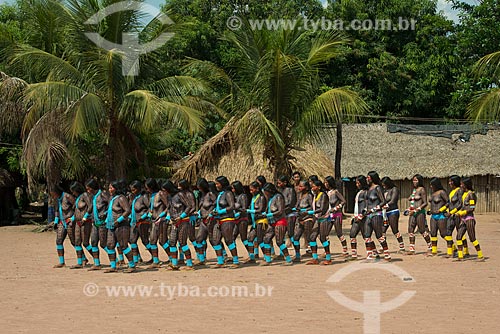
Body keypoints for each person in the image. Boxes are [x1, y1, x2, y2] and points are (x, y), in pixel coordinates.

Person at [164, 179, 196, 270]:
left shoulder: (180, 195)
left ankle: (189, 264)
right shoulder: (169, 197)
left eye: (165, 189)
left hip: (183, 221)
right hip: (174, 222)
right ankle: (174, 264)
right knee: (172, 242)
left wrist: (181, 216)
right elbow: (169, 209)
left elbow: (189, 206)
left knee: (182, 242)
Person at [104, 181, 134, 273]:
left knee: (123, 245)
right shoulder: (112, 198)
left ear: (116, 188)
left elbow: (127, 210)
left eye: (111, 188)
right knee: (110, 245)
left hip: (121, 225)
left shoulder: (121, 198)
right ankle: (113, 266)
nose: (110, 190)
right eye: (109, 188)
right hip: (111, 225)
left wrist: (119, 220)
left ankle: (132, 265)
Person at [261, 183, 293, 265]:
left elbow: (280, 211)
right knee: (266, 239)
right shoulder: (270, 198)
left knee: (279, 241)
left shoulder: (278, 197)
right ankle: (268, 260)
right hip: (272, 221)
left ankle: (288, 259)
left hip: (280, 221)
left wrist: (269, 215)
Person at [455, 177, 484, 261]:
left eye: (462, 184)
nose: (460, 186)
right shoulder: (464, 194)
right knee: (459, 236)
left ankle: (480, 254)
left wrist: (463, 212)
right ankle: (460, 256)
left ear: (466, 185)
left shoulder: (471, 194)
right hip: (463, 219)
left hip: (469, 218)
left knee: (472, 238)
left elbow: (472, 208)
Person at [212, 176, 239, 268]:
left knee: (228, 240)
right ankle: (220, 261)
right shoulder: (220, 194)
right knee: (215, 240)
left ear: (222, 184)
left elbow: (232, 206)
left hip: (227, 219)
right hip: (219, 220)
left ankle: (235, 261)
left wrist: (221, 211)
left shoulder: (228, 194)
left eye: (217, 183)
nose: (216, 185)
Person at [365, 171, 390, 261]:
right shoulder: (368, 190)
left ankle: (387, 253)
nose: (367, 179)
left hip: (376, 214)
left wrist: (374, 209)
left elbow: (383, 201)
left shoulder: (377, 188)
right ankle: (370, 255)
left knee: (379, 235)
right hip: (368, 215)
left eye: (368, 178)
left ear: (372, 178)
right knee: (367, 235)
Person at [405, 174, 431, 255]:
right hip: (413, 212)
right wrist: (409, 209)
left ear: (419, 181)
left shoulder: (422, 189)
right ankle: (412, 249)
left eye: (416, 180)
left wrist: (416, 210)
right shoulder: (414, 190)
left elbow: (425, 203)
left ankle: (430, 247)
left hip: (420, 213)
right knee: (410, 229)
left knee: (422, 230)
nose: (414, 182)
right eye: (413, 180)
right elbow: (413, 202)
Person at [51, 184, 76, 268]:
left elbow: (77, 207)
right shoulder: (57, 199)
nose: (53, 196)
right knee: (59, 241)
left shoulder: (68, 197)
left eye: (53, 194)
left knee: (74, 242)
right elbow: (57, 210)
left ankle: (83, 258)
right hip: (62, 222)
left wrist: (73, 218)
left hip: (69, 221)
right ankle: (62, 262)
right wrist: (56, 221)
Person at [146, 178, 169, 269]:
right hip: (153, 220)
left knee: (163, 241)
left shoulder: (161, 194)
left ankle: (172, 257)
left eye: (147, 188)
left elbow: (168, 206)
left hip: (161, 221)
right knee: (152, 240)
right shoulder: (151, 196)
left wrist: (162, 215)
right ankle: (156, 261)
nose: (147, 190)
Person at [305, 180, 330, 265]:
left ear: (319, 187)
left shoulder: (323, 195)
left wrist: (310, 213)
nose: (312, 188)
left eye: (314, 186)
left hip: (324, 219)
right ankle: (315, 258)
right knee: (312, 237)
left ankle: (328, 258)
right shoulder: (315, 196)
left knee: (323, 238)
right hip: (317, 219)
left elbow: (322, 209)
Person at [86, 179, 109, 270]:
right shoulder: (94, 197)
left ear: (93, 187)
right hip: (95, 223)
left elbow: (110, 204)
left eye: (89, 189)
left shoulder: (102, 194)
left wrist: (106, 213)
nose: (88, 191)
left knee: (103, 244)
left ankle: (116, 259)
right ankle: (97, 263)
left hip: (102, 223)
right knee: (94, 242)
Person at [69, 181, 92, 269]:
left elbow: (90, 206)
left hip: (85, 222)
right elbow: (76, 211)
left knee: (86, 243)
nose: (72, 193)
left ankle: (96, 259)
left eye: (73, 191)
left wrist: (85, 217)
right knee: (77, 242)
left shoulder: (85, 195)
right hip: (77, 222)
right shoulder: (77, 198)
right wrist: (72, 219)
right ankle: (80, 262)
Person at [324, 176, 348, 257]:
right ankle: (327, 250)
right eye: (325, 182)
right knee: (325, 233)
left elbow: (343, 201)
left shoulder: (335, 192)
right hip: (329, 215)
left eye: (326, 182)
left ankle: (345, 249)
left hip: (337, 214)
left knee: (339, 233)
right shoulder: (326, 193)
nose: (325, 184)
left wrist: (336, 208)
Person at [244, 181, 267, 264]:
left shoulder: (261, 197)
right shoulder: (253, 197)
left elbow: (260, 210)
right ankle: (252, 257)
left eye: (252, 190)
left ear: (257, 189)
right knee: (250, 238)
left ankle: (267, 257)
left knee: (260, 240)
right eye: (250, 190)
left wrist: (248, 210)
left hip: (261, 221)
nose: (250, 191)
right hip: (255, 222)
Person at [381, 177, 405, 253]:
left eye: (384, 184)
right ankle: (383, 247)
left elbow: (393, 200)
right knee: (383, 230)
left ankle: (402, 246)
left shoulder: (394, 189)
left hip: (393, 212)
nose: (383, 186)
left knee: (394, 229)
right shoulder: (385, 191)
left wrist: (387, 205)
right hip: (385, 212)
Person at [193, 178, 214, 265]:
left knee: (214, 240)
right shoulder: (202, 196)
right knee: (199, 239)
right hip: (203, 220)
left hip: (211, 220)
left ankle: (223, 256)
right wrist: (198, 213)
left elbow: (215, 205)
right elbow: (202, 207)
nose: (199, 189)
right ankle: (201, 259)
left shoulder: (211, 194)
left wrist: (211, 214)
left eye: (200, 187)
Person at [292, 180, 314, 262]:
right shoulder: (299, 195)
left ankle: (313, 255)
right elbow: (297, 206)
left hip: (307, 218)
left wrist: (305, 211)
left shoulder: (309, 196)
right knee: (296, 237)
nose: (299, 187)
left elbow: (312, 207)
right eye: (299, 186)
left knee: (309, 238)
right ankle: (297, 255)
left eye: (301, 186)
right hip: (300, 218)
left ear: (306, 187)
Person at [129, 180, 150, 264]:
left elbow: (150, 208)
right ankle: (136, 259)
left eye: (134, 190)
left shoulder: (144, 197)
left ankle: (155, 257)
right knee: (132, 240)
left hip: (143, 222)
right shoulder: (134, 198)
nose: (132, 191)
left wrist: (143, 217)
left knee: (145, 241)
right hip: (134, 222)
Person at [444, 175, 466, 258]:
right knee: (448, 232)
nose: (449, 183)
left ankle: (465, 251)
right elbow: (449, 203)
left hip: (457, 215)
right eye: (449, 181)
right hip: (451, 216)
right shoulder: (451, 192)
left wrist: (452, 212)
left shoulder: (459, 191)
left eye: (451, 181)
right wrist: (442, 209)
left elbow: (460, 204)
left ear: (455, 182)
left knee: (460, 234)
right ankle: (450, 252)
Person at [427, 177, 449, 256]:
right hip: (433, 216)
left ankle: (452, 247)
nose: (431, 187)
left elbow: (448, 202)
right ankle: (434, 251)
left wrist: (441, 209)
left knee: (443, 234)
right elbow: (432, 204)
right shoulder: (433, 194)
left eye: (432, 185)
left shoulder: (442, 192)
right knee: (433, 233)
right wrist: (429, 210)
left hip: (441, 216)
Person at [349, 176, 368, 260]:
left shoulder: (366, 193)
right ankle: (354, 255)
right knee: (352, 234)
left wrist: (361, 216)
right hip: (356, 217)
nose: (357, 185)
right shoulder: (359, 192)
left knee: (366, 236)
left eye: (358, 183)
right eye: (356, 183)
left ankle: (372, 253)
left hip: (363, 217)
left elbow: (367, 206)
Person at [277, 175, 297, 249]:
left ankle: (296, 251)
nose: (278, 185)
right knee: (281, 234)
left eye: (280, 183)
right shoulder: (279, 190)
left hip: (290, 213)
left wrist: (282, 210)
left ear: (285, 182)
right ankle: (282, 252)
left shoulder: (290, 190)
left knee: (290, 232)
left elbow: (291, 203)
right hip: (282, 213)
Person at [232, 181, 250, 258]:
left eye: (233, 188)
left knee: (244, 238)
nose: (232, 190)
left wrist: (236, 209)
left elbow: (244, 208)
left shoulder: (243, 196)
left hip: (242, 219)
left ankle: (251, 255)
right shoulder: (236, 196)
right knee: (232, 237)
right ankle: (234, 256)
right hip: (237, 219)